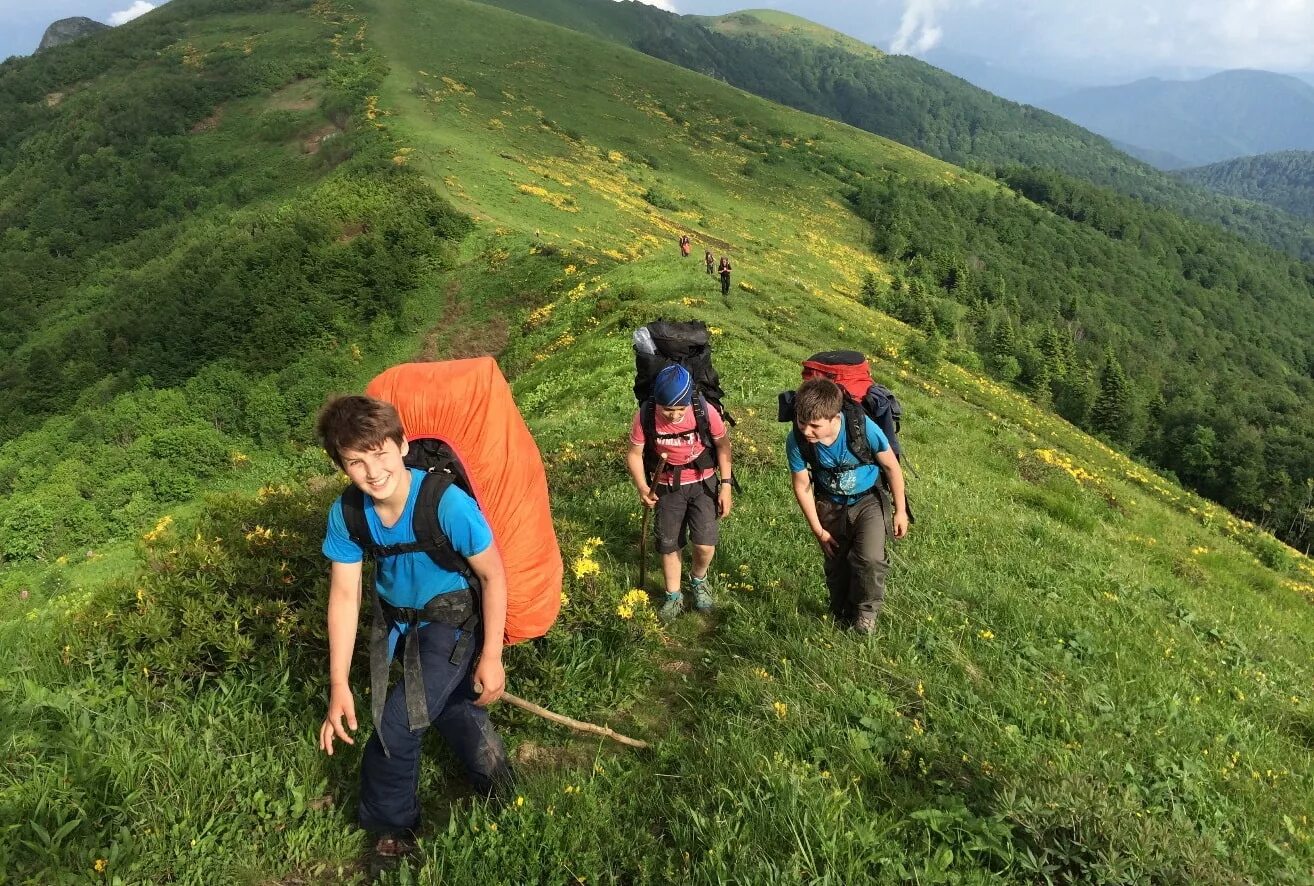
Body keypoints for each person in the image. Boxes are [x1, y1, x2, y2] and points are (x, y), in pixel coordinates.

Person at [316, 395, 513, 864]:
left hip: (452, 621)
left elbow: (492, 575)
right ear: (342, 466)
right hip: (396, 624)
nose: (372, 471)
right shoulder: (347, 514)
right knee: (447, 709)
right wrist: (339, 684)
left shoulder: (445, 503)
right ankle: (500, 782)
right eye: (355, 462)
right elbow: (345, 596)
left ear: (402, 445)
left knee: (397, 722)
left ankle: (391, 832)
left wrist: (490, 656)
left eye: (380, 453)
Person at [786, 378, 908, 634]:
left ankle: (866, 614)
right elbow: (801, 485)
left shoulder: (862, 429)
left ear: (834, 417)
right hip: (829, 503)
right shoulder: (796, 440)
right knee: (837, 563)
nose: (806, 431)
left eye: (815, 426)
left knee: (870, 559)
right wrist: (818, 530)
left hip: (867, 501)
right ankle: (840, 612)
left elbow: (891, 466)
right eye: (801, 422)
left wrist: (900, 510)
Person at [626, 365, 733, 621]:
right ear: (657, 403)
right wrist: (643, 487)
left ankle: (698, 579)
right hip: (665, 485)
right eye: (668, 410)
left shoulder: (704, 411)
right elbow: (634, 454)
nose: (674, 416)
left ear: (688, 402)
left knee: (705, 544)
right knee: (668, 543)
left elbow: (723, 445)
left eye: (680, 409)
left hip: (702, 482)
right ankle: (673, 595)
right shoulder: (645, 415)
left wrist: (726, 486)